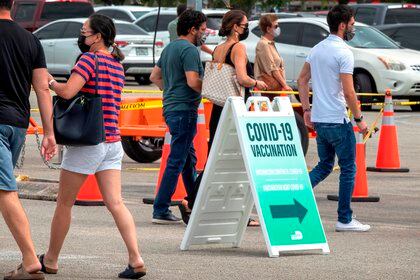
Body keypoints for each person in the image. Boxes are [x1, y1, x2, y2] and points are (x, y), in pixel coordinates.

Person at [42, 14, 146, 279]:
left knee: (64, 203)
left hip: (88, 142)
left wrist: (49, 81)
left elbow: (67, 92)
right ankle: (136, 259)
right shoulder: (116, 64)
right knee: (116, 203)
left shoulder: (89, 60)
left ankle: (51, 259)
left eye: (85, 32)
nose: (82, 36)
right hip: (112, 141)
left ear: (98, 36)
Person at [180, 10, 268, 226]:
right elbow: (241, 77)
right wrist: (257, 83)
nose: (247, 28)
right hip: (235, 108)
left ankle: (194, 200)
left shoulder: (219, 48)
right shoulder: (237, 47)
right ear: (236, 27)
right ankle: (201, 202)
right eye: (245, 24)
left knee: (216, 159)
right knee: (238, 159)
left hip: (219, 107)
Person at [297, 4, 370, 232]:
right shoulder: (344, 52)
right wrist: (359, 120)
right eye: (352, 24)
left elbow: (301, 80)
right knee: (348, 168)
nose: (353, 28)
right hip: (338, 119)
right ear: (342, 25)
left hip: (319, 118)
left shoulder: (317, 49)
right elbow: (349, 92)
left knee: (325, 165)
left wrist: (307, 110)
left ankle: (296, 195)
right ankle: (344, 219)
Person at [0, 0, 57, 279]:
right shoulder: (30, 40)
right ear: (12, 4)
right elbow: (43, 89)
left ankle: (30, 259)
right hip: (17, 126)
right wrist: (49, 133)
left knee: (5, 191)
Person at [149, 9, 207, 224]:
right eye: (201, 29)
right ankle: (161, 209)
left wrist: (170, 90)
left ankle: (194, 201)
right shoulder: (190, 50)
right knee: (177, 160)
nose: (203, 34)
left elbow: (154, 76)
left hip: (171, 108)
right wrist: (209, 87)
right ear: (192, 29)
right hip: (185, 111)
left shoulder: (170, 48)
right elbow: (193, 81)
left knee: (187, 159)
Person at [254, 13, 292, 97]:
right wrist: (284, 85)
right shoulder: (263, 44)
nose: (278, 28)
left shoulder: (270, 44)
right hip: (268, 89)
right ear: (268, 29)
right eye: (275, 26)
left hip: (274, 88)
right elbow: (273, 68)